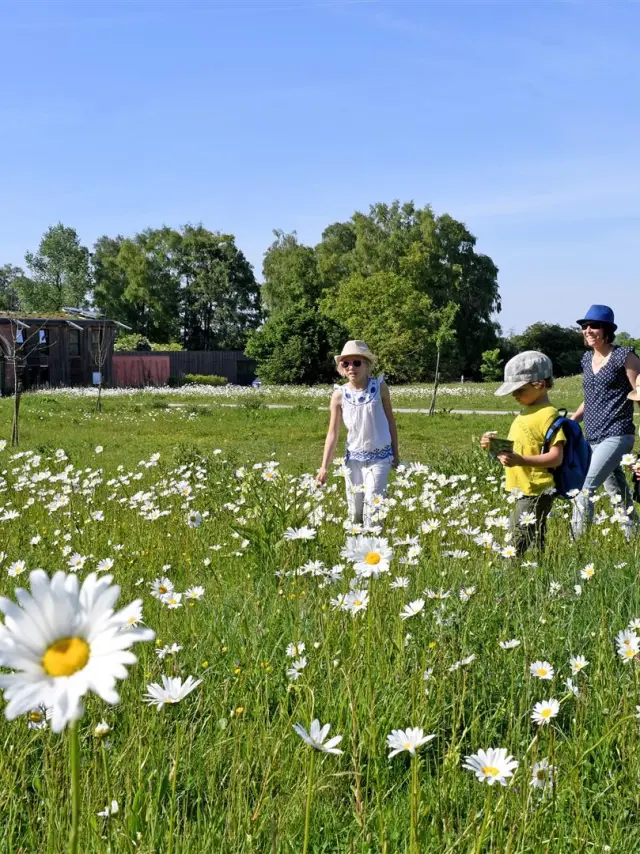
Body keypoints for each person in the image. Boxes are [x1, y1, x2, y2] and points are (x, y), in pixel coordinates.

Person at [480, 351, 565, 556]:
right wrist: (492, 446)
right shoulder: (527, 410)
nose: (515, 395)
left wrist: (521, 460)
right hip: (523, 487)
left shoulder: (548, 414)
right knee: (533, 537)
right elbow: (522, 446)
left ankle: (509, 574)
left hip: (535, 489)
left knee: (516, 540)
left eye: (520, 390)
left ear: (540, 385)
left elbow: (556, 457)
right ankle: (539, 570)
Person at [570, 305, 640, 538]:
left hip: (618, 434)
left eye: (594, 326)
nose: (588, 330)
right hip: (593, 434)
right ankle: (635, 536)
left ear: (607, 330)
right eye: (584, 326)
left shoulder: (625, 356)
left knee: (584, 488)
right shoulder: (586, 358)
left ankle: (576, 545)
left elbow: (639, 391)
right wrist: (575, 418)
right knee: (618, 492)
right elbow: (591, 395)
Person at [317, 340, 399, 527]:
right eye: (346, 363)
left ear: (366, 364)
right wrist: (324, 467)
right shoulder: (339, 395)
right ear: (341, 368)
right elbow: (333, 432)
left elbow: (390, 421)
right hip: (353, 459)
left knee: (373, 509)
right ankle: (357, 551)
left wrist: (396, 453)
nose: (351, 367)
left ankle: (376, 549)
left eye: (356, 362)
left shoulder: (380, 387)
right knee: (355, 512)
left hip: (379, 458)